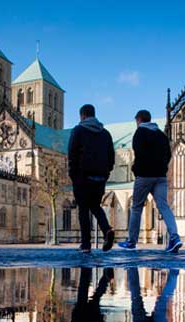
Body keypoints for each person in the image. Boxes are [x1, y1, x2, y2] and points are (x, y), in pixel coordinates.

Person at [118, 110, 183, 253]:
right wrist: (162, 168)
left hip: (145, 175)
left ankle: (131, 241)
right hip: (160, 176)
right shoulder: (161, 135)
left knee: (136, 207)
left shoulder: (140, 133)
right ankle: (174, 237)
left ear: (139, 120)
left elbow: (138, 153)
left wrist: (136, 169)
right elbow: (168, 155)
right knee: (164, 206)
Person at [68, 104, 115, 253]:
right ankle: (107, 230)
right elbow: (111, 157)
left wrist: (73, 175)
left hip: (83, 177)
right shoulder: (105, 133)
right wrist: (106, 173)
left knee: (83, 209)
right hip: (100, 178)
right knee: (95, 206)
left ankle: (86, 244)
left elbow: (72, 154)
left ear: (82, 116)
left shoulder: (79, 130)